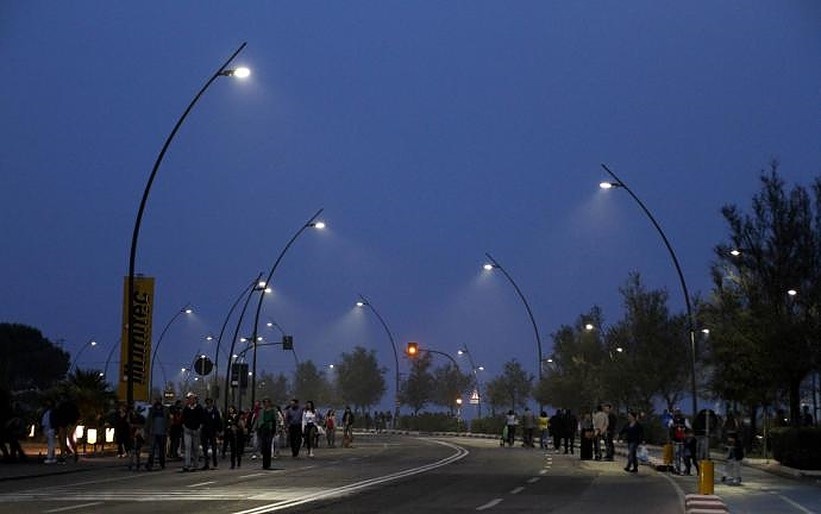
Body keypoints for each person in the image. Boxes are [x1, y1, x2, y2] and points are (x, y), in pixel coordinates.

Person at [181, 393, 204, 472]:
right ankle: (187, 464)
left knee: (195, 448)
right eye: (189, 399)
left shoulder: (199, 408)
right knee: (187, 447)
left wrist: (199, 428)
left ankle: (195, 464)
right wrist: (184, 426)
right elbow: (183, 418)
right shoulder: (186, 408)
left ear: (195, 399)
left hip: (196, 430)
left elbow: (202, 419)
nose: (190, 400)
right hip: (187, 430)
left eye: (192, 399)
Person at [145, 398, 168, 471]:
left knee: (161, 449)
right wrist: (147, 430)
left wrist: (167, 429)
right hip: (154, 432)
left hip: (162, 432)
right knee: (152, 449)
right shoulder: (152, 410)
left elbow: (168, 420)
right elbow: (148, 420)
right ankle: (150, 463)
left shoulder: (165, 409)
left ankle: (162, 463)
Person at [201, 398, 222, 470]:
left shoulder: (215, 412)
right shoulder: (204, 411)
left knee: (214, 447)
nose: (208, 405)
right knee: (205, 448)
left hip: (213, 432)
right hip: (205, 431)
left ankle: (215, 462)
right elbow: (201, 421)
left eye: (209, 403)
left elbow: (219, 421)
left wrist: (219, 431)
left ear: (212, 403)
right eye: (207, 403)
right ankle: (206, 463)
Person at [257, 399, 276, 469]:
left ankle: (268, 464)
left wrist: (275, 430)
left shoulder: (273, 411)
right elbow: (258, 420)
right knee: (263, 447)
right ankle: (264, 464)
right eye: (264, 402)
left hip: (270, 430)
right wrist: (257, 428)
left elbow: (275, 421)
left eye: (267, 402)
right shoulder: (261, 411)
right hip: (263, 429)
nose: (266, 404)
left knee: (268, 447)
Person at [41, 399, 56, 464]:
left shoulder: (50, 412)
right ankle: (52, 456)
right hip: (48, 428)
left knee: (50, 444)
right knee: (51, 443)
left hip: (50, 428)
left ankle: (50, 457)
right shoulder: (48, 412)